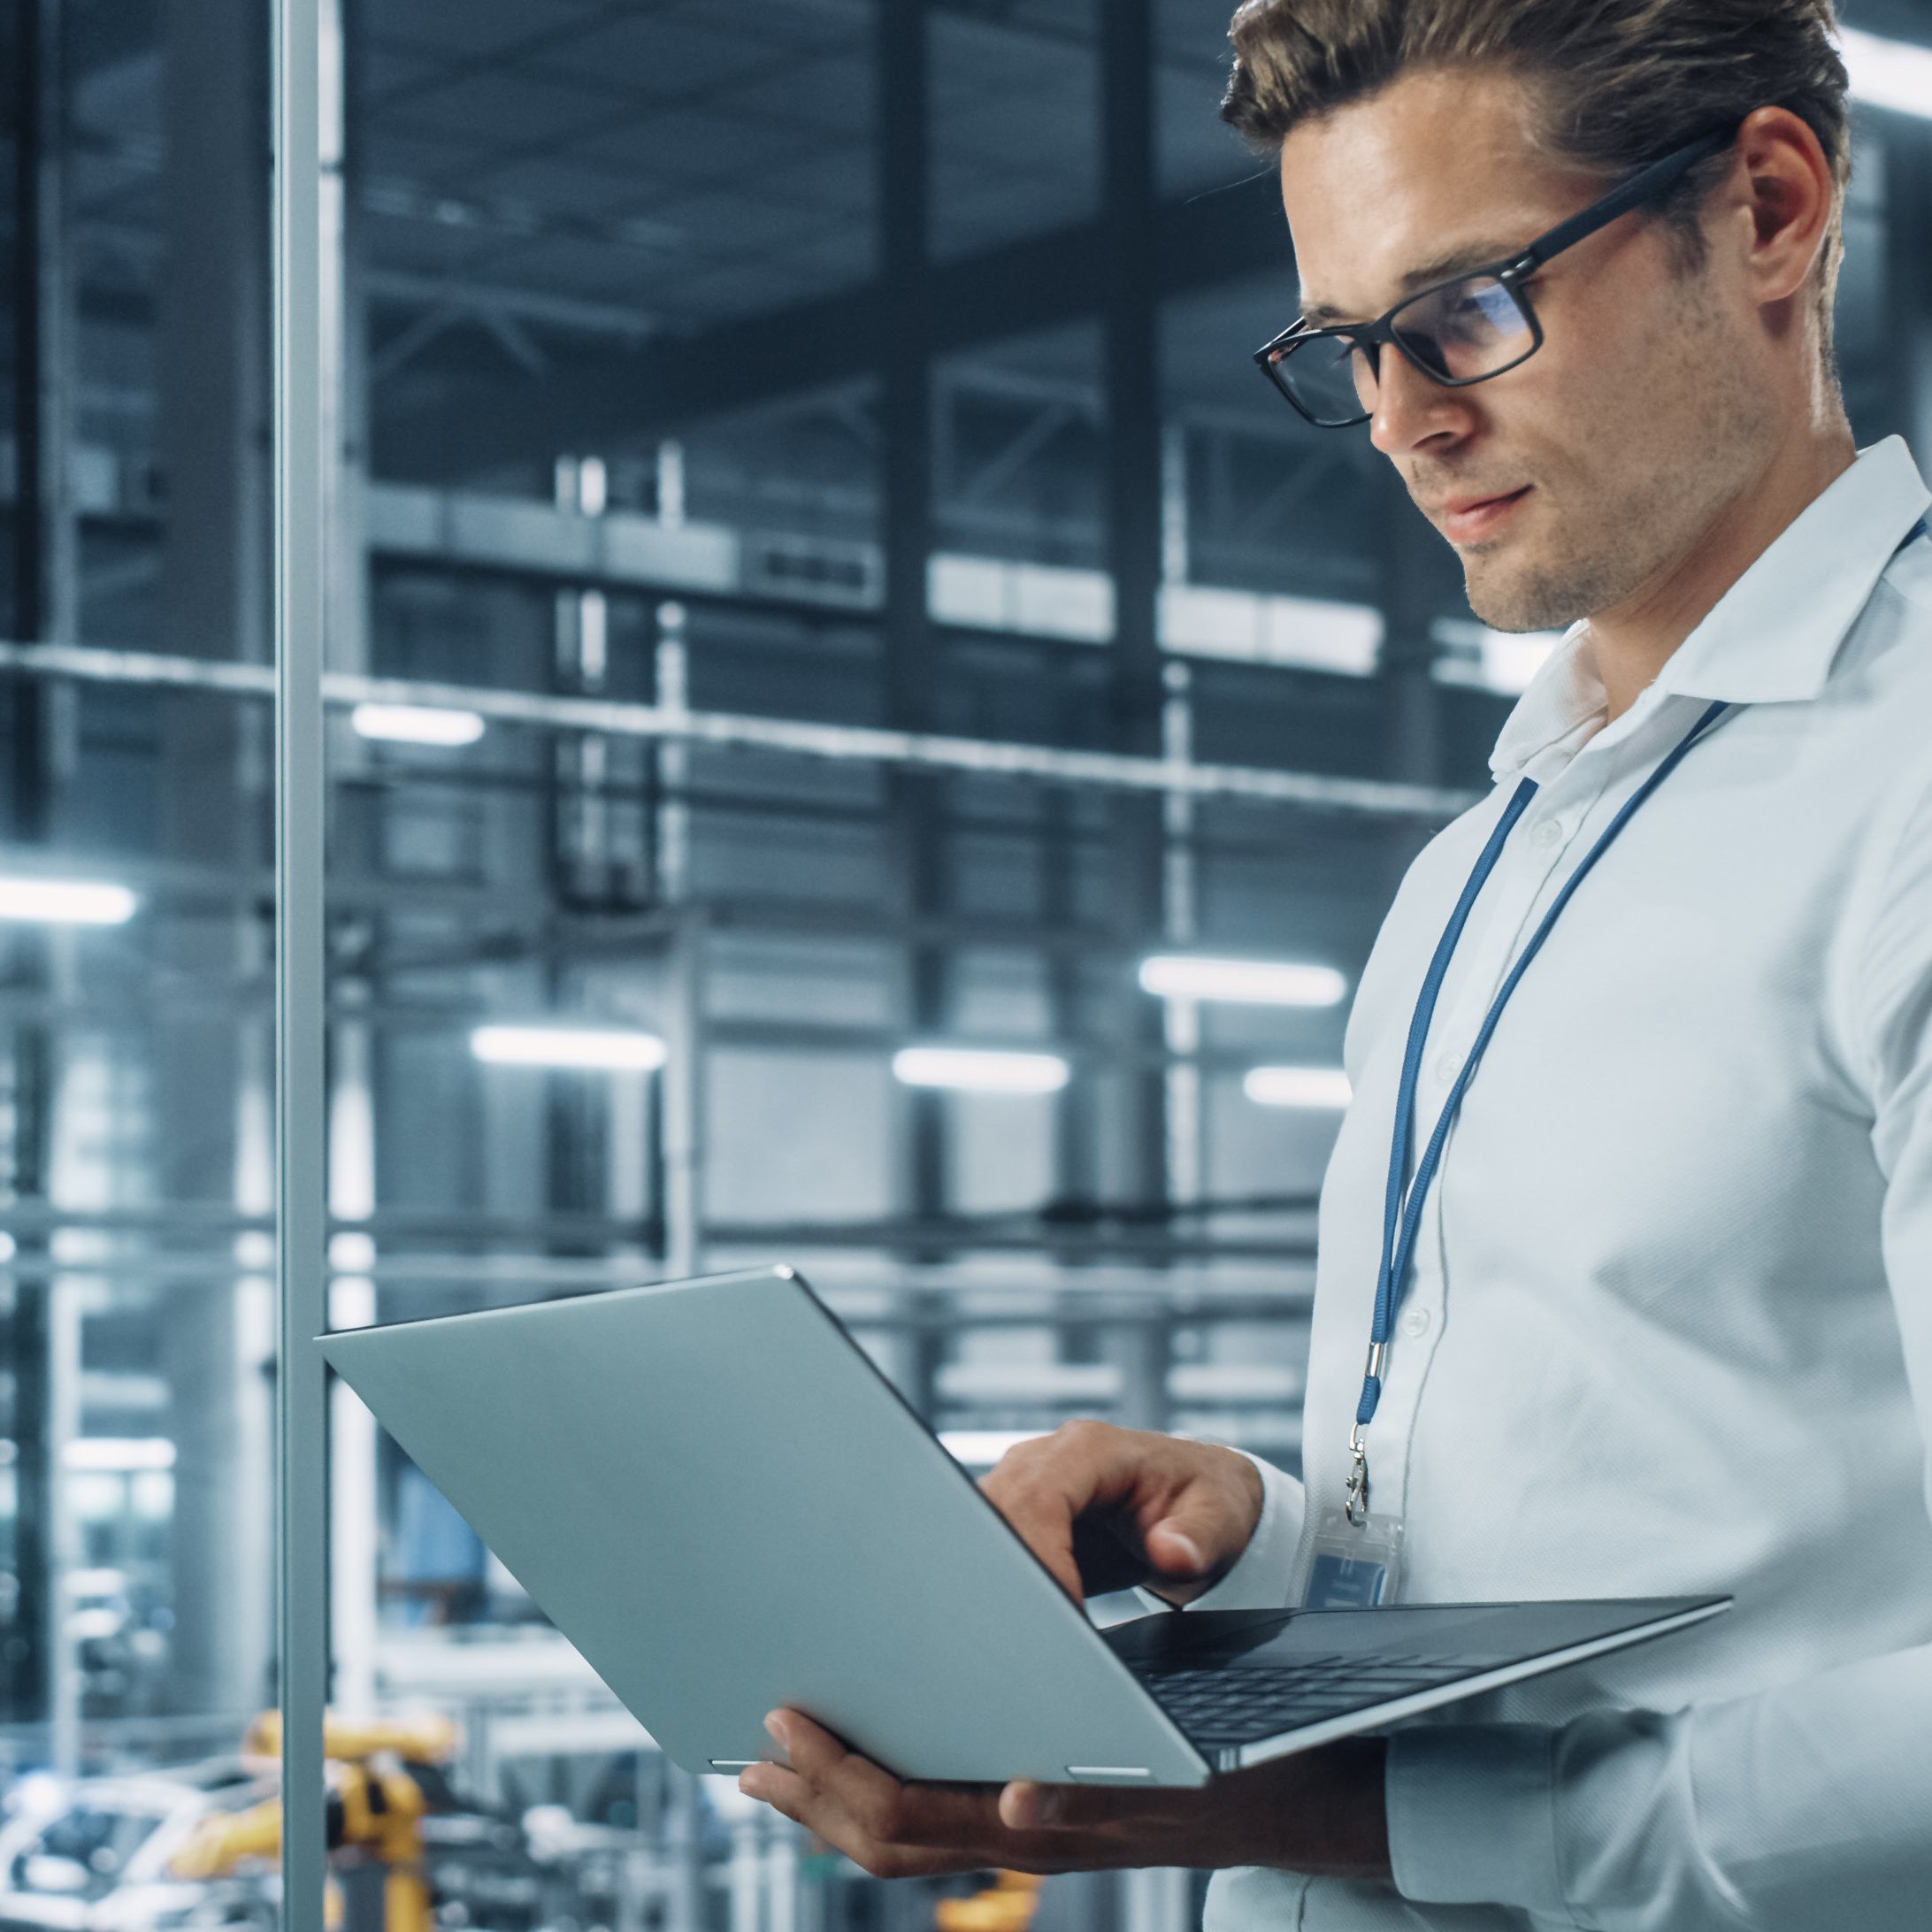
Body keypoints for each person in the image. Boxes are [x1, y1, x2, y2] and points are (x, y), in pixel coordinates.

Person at [738, 2, 1932, 1924]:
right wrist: (1276, 1540)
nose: (1400, 418)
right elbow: (1644, 1511)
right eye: (1349, 346)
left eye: (1466, 310)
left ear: (1770, 209)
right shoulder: (1486, 859)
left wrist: (1337, 1818)